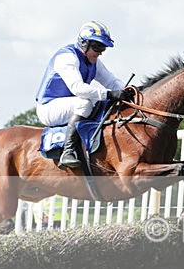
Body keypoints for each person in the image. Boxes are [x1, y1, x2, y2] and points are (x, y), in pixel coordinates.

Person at [35, 20, 134, 170]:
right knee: (85, 103)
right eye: (97, 47)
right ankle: (67, 152)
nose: (100, 52)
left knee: (102, 103)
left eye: (103, 48)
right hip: (48, 108)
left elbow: (112, 82)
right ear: (84, 43)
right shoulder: (67, 58)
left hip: (69, 105)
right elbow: (78, 89)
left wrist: (130, 91)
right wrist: (111, 94)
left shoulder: (94, 61)